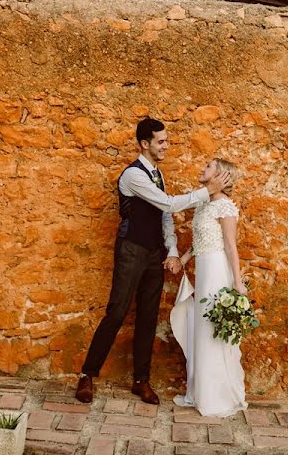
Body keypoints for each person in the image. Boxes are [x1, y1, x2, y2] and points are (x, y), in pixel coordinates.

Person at [75, 118, 231, 405]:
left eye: (167, 141)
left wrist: (171, 249)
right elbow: (170, 204)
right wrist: (206, 192)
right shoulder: (133, 176)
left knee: (148, 316)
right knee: (117, 312)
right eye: (161, 142)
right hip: (131, 250)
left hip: (154, 255)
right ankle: (87, 374)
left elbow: (164, 216)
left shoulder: (158, 174)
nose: (166, 146)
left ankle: (140, 381)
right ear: (144, 144)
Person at [170, 158, 248, 417]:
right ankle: (199, 391)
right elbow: (199, 240)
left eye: (208, 167)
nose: (202, 169)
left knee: (213, 329)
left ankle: (218, 395)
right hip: (202, 269)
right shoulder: (204, 205)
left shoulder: (225, 206)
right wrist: (183, 259)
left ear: (221, 176)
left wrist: (237, 283)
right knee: (201, 328)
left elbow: (230, 245)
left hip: (216, 271)